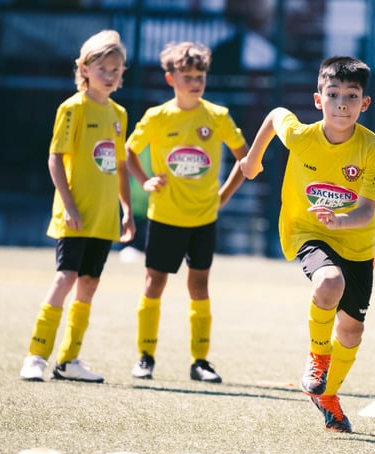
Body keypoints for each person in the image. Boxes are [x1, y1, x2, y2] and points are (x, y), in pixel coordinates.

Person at [239, 56, 375, 433]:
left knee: (352, 331)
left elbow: (367, 211)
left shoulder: (374, 149)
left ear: (364, 104)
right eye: (333, 94)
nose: (342, 103)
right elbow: (276, 115)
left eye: (352, 96)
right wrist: (253, 159)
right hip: (308, 231)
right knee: (328, 283)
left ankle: (328, 397)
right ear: (318, 100)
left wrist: (341, 219)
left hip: (356, 242)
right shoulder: (302, 137)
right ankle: (318, 357)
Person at [125, 41, 249, 384]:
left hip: (204, 219)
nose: (196, 82)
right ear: (170, 78)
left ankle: (200, 361)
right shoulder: (157, 117)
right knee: (154, 283)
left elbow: (247, 160)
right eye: (188, 76)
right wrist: (145, 181)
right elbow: (128, 153)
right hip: (164, 216)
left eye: (200, 76)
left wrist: (223, 196)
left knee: (200, 286)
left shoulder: (218, 116)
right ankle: (145, 356)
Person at [19, 29, 135, 383]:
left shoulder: (119, 113)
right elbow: (55, 159)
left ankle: (68, 361)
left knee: (89, 285)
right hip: (76, 214)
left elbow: (117, 166)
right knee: (64, 278)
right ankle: (36, 356)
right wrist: (68, 205)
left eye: (117, 69)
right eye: (103, 68)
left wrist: (126, 209)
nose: (111, 75)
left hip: (103, 218)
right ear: (83, 68)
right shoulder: (72, 109)